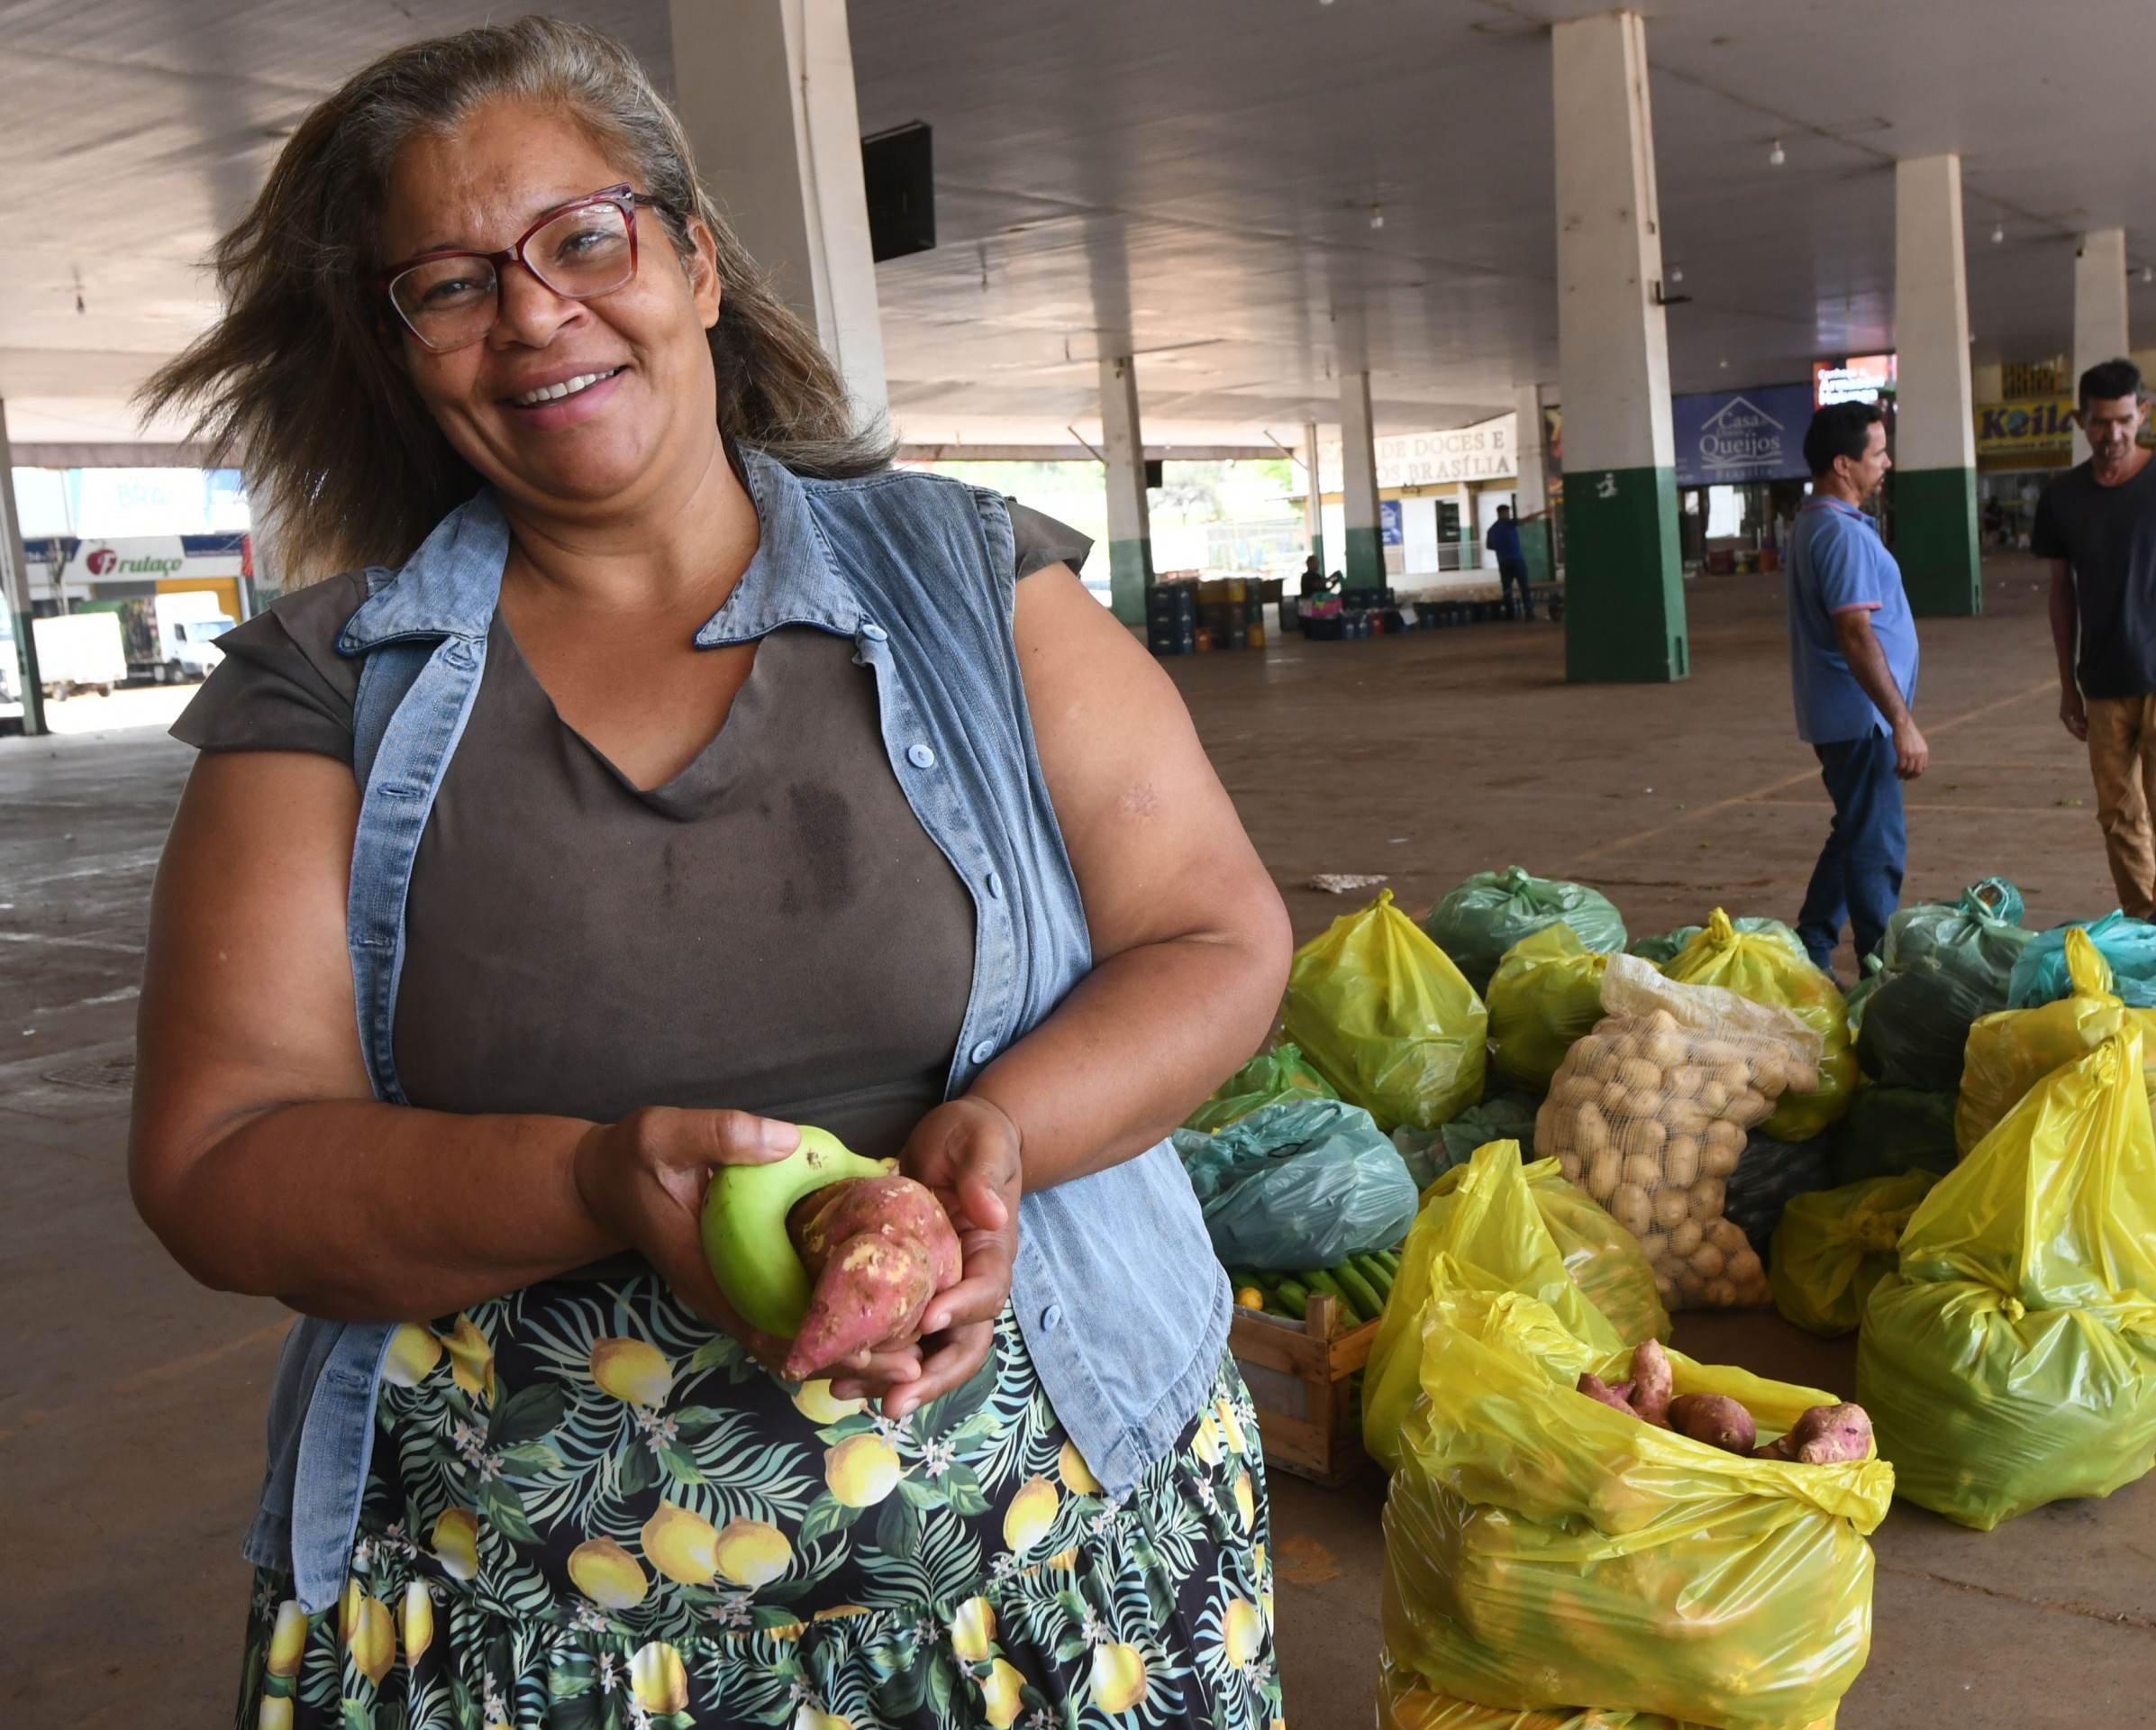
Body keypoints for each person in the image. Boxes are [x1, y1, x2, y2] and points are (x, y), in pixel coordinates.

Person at [130, 21, 1292, 1728]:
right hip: (523, 1632)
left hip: (1059, 1582)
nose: (536, 313)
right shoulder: (328, 686)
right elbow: (218, 1162)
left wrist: (999, 1141)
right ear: (399, 353)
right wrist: (592, 1181)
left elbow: (1213, 932)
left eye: (584, 238)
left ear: (693, 260)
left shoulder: (971, 582)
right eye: (448, 285)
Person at [2033, 358, 2156, 919]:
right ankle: (2145, 926)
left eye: (2124, 420)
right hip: (2102, 684)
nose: (2113, 434)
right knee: (2118, 818)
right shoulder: (2062, 497)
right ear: (2080, 420)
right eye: (2101, 422)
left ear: (2143, 414)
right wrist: (2067, 684)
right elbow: (2061, 593)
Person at [1783, 401, 1925, 977]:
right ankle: (1877, 974)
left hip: (1844, 715)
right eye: (1878, 453)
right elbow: (1855, 632)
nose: (1887, 462)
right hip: (1861, 719)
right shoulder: (1839, 535)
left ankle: (1813, 942)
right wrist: (1902, 722)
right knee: (1876, 847)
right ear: (1843, 464)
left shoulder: (1818, 524)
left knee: (1854, 833)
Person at [1483, 503, 1533, 620]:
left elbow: (1489, 546)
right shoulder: (1510, 523)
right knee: (1524, 587)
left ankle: (1510, 614)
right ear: (1503, 513)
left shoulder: (1492, 529)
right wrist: (1543, 512)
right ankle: (1529, 612)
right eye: (1507, 512)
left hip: (1503, 561)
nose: (1508, 514)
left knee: (1507, 588)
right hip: (1516, 560)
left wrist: (1500, 547)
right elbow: (1527, 519)